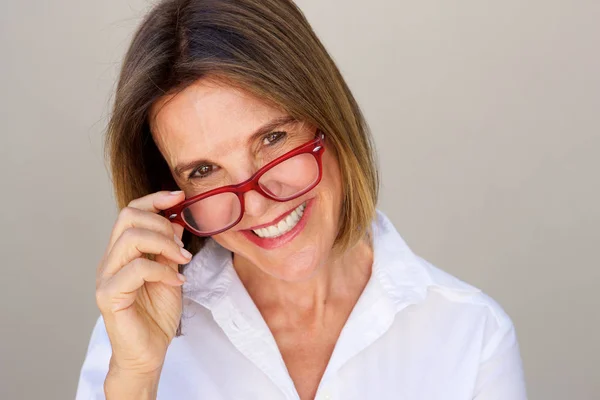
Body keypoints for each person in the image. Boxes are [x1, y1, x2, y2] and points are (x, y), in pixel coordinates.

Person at [76, 0, 527, 399]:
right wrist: (136, 378)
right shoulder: (135, 336)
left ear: (329, 119)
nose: (256, 204)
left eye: (273, 138)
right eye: (203, 171)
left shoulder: (471, 334)